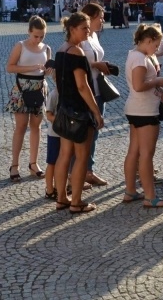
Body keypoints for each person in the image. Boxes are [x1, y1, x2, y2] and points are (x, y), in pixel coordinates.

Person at [53, 12, 104, 214]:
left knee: (64, 155)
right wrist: (96, 112)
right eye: (84, 28)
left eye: (88, 27)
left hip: (64, 108)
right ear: (72, 29)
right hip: (80, 111)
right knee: (82, 157)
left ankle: (61, 198)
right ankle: (76, 201)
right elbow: (83, 86)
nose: (88, 31)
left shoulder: (61, 50)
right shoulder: (77, 52)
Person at [124, 23, 163, 208]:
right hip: (144, 110)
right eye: (156, 45)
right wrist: (158, 81)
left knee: (134, 151)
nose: (157, 49)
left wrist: (158, 88)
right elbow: (139, 85)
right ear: (148, 40)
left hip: (136, 108)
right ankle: (150, 196)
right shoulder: (140, 59)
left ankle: (130, 191)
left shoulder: (135, 54)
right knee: (146, 154)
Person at [5, 16, 51, 183]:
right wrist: (32, 67)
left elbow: (47, 70)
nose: (38, 39)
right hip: (22, 87)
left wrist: (49, 71)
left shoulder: (46, 48)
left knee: (36, 127)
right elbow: (10, 67)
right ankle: (14, 165)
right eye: (35, 36)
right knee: (21, 126)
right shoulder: (21, 45)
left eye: (42, 36)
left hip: (39, 88)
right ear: (29, 32)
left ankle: (33, 163)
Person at [80, 3, 116, 187]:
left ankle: (88, 170)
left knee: (94, 132)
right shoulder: (81, 38)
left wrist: (102, 65)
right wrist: (96, 65)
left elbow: (95, 57)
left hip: (98, 87)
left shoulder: (94, 35)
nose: (103, 20)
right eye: (100, 17)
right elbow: (76, 63)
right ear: (90, 17)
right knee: (84, 133)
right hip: (87, 89)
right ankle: (78, 172)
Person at [42, 88, 61, 201]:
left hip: (65, 134)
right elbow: (49, 115)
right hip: (54, 134)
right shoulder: (54, 95)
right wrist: (62, 121)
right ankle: (49, 189)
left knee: (61, 162)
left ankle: (59, 188)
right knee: (52, 163)